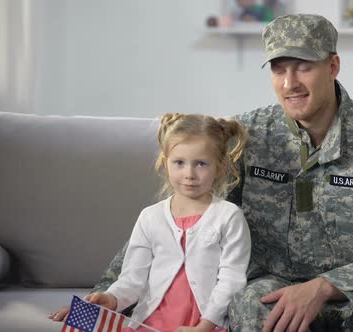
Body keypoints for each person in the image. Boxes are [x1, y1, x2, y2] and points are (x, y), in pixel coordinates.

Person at [51, 14, 353, 331]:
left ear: (333, 66)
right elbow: (182, 211)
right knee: (248, 301)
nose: (290, 83)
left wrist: (324, 287)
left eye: (303, 66)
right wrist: (106, 294)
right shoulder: (244, 137)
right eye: (278, 69)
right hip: (275, 294)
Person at [66, 113, 251, 332]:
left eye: (201, 163)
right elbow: (133, 278)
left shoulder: (229, 217)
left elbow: (231, 280)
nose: (189, 174)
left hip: (206, 325)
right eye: (179, 163)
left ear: (219, 167)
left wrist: (206, 325)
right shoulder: (150, 217)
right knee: (81, 324)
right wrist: (112, 298)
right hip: (152, 322)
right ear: (166, 163)